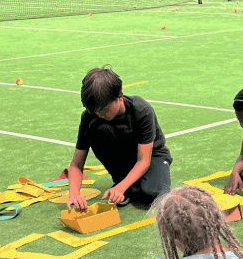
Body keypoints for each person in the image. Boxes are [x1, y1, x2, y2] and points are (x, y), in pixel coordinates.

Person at [66, 66, 172, 209]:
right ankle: (123, 181)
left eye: (103, 110)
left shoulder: (141, 110)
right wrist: (73, 195)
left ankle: (129, 186)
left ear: (120, 97)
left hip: (152, 156)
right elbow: (76, 165)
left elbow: (143, 161)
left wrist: (121, 187)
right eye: (94, 111)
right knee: (98, 127)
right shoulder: (90, 117)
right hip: (123, 160)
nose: (99, 114)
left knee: (155, 193)